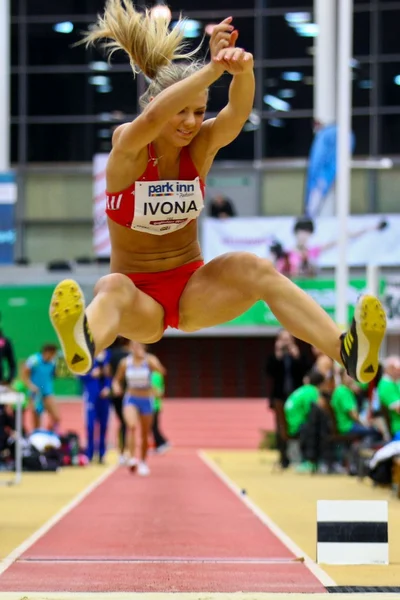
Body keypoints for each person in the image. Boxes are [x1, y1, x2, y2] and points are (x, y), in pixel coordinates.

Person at [49, 1, 386, 391]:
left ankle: (348, 351)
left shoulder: (200, 148)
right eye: (183, 112)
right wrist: (212, 70)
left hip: (193, 288)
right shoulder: (128, 147)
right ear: (159, 106)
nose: (192, 122)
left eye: (198, 111)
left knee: (253, 267)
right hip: (141, 298)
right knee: (112, 287)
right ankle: (83, 343)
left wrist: (243, 72)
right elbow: (154, 119)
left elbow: (236, 114)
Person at [112, 341, 166, 475]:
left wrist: (150, 364)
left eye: (138, 346)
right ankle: (131, 458)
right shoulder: (125, 362)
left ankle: (142, 461)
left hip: (146, 399)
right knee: (131, 426)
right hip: (131, 397)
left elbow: (162, 371)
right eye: (133, 346)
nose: (135, 349)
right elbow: (116, 379)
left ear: (143, 347)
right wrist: (116, 387)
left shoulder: (149, 360)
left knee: (144, 433)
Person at [80, 351, 112, 464]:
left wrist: (108, 387)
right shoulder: (85, 354)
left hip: (104, 397)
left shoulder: (108, 355)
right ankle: (89, 453)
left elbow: (110, 374)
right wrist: (90, 374)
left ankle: (102, 454)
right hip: (91, 395)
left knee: (103, 426)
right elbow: (78, 374)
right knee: (90, 426)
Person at [21, 344, 60, 432]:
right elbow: (24, 374)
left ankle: (50, 434)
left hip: (47, 392)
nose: (53, 356)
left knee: (56, 417)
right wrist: (31, 386)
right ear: (47, 352)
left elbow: (53, 375)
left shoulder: (53, 361)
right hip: (35, 393)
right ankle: (37, 438)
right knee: (36, 420)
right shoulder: (34, 360)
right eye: (52, 354)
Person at [108, 336, 130, 463]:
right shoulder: (130, 356)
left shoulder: (112, 354)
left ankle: (123, 451)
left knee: (123, 422)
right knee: (126, 423)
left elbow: (109, 372)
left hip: (117, 392)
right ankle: (123, 451)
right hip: (128, 392)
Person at [151, 367, 170, 453]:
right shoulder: (158, 375)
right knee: (153, 426)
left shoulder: (155, 376)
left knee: (153, 426)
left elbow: (157, 391)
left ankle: (162, 442)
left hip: (153, 405)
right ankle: (159, 443)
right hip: (155, 404)